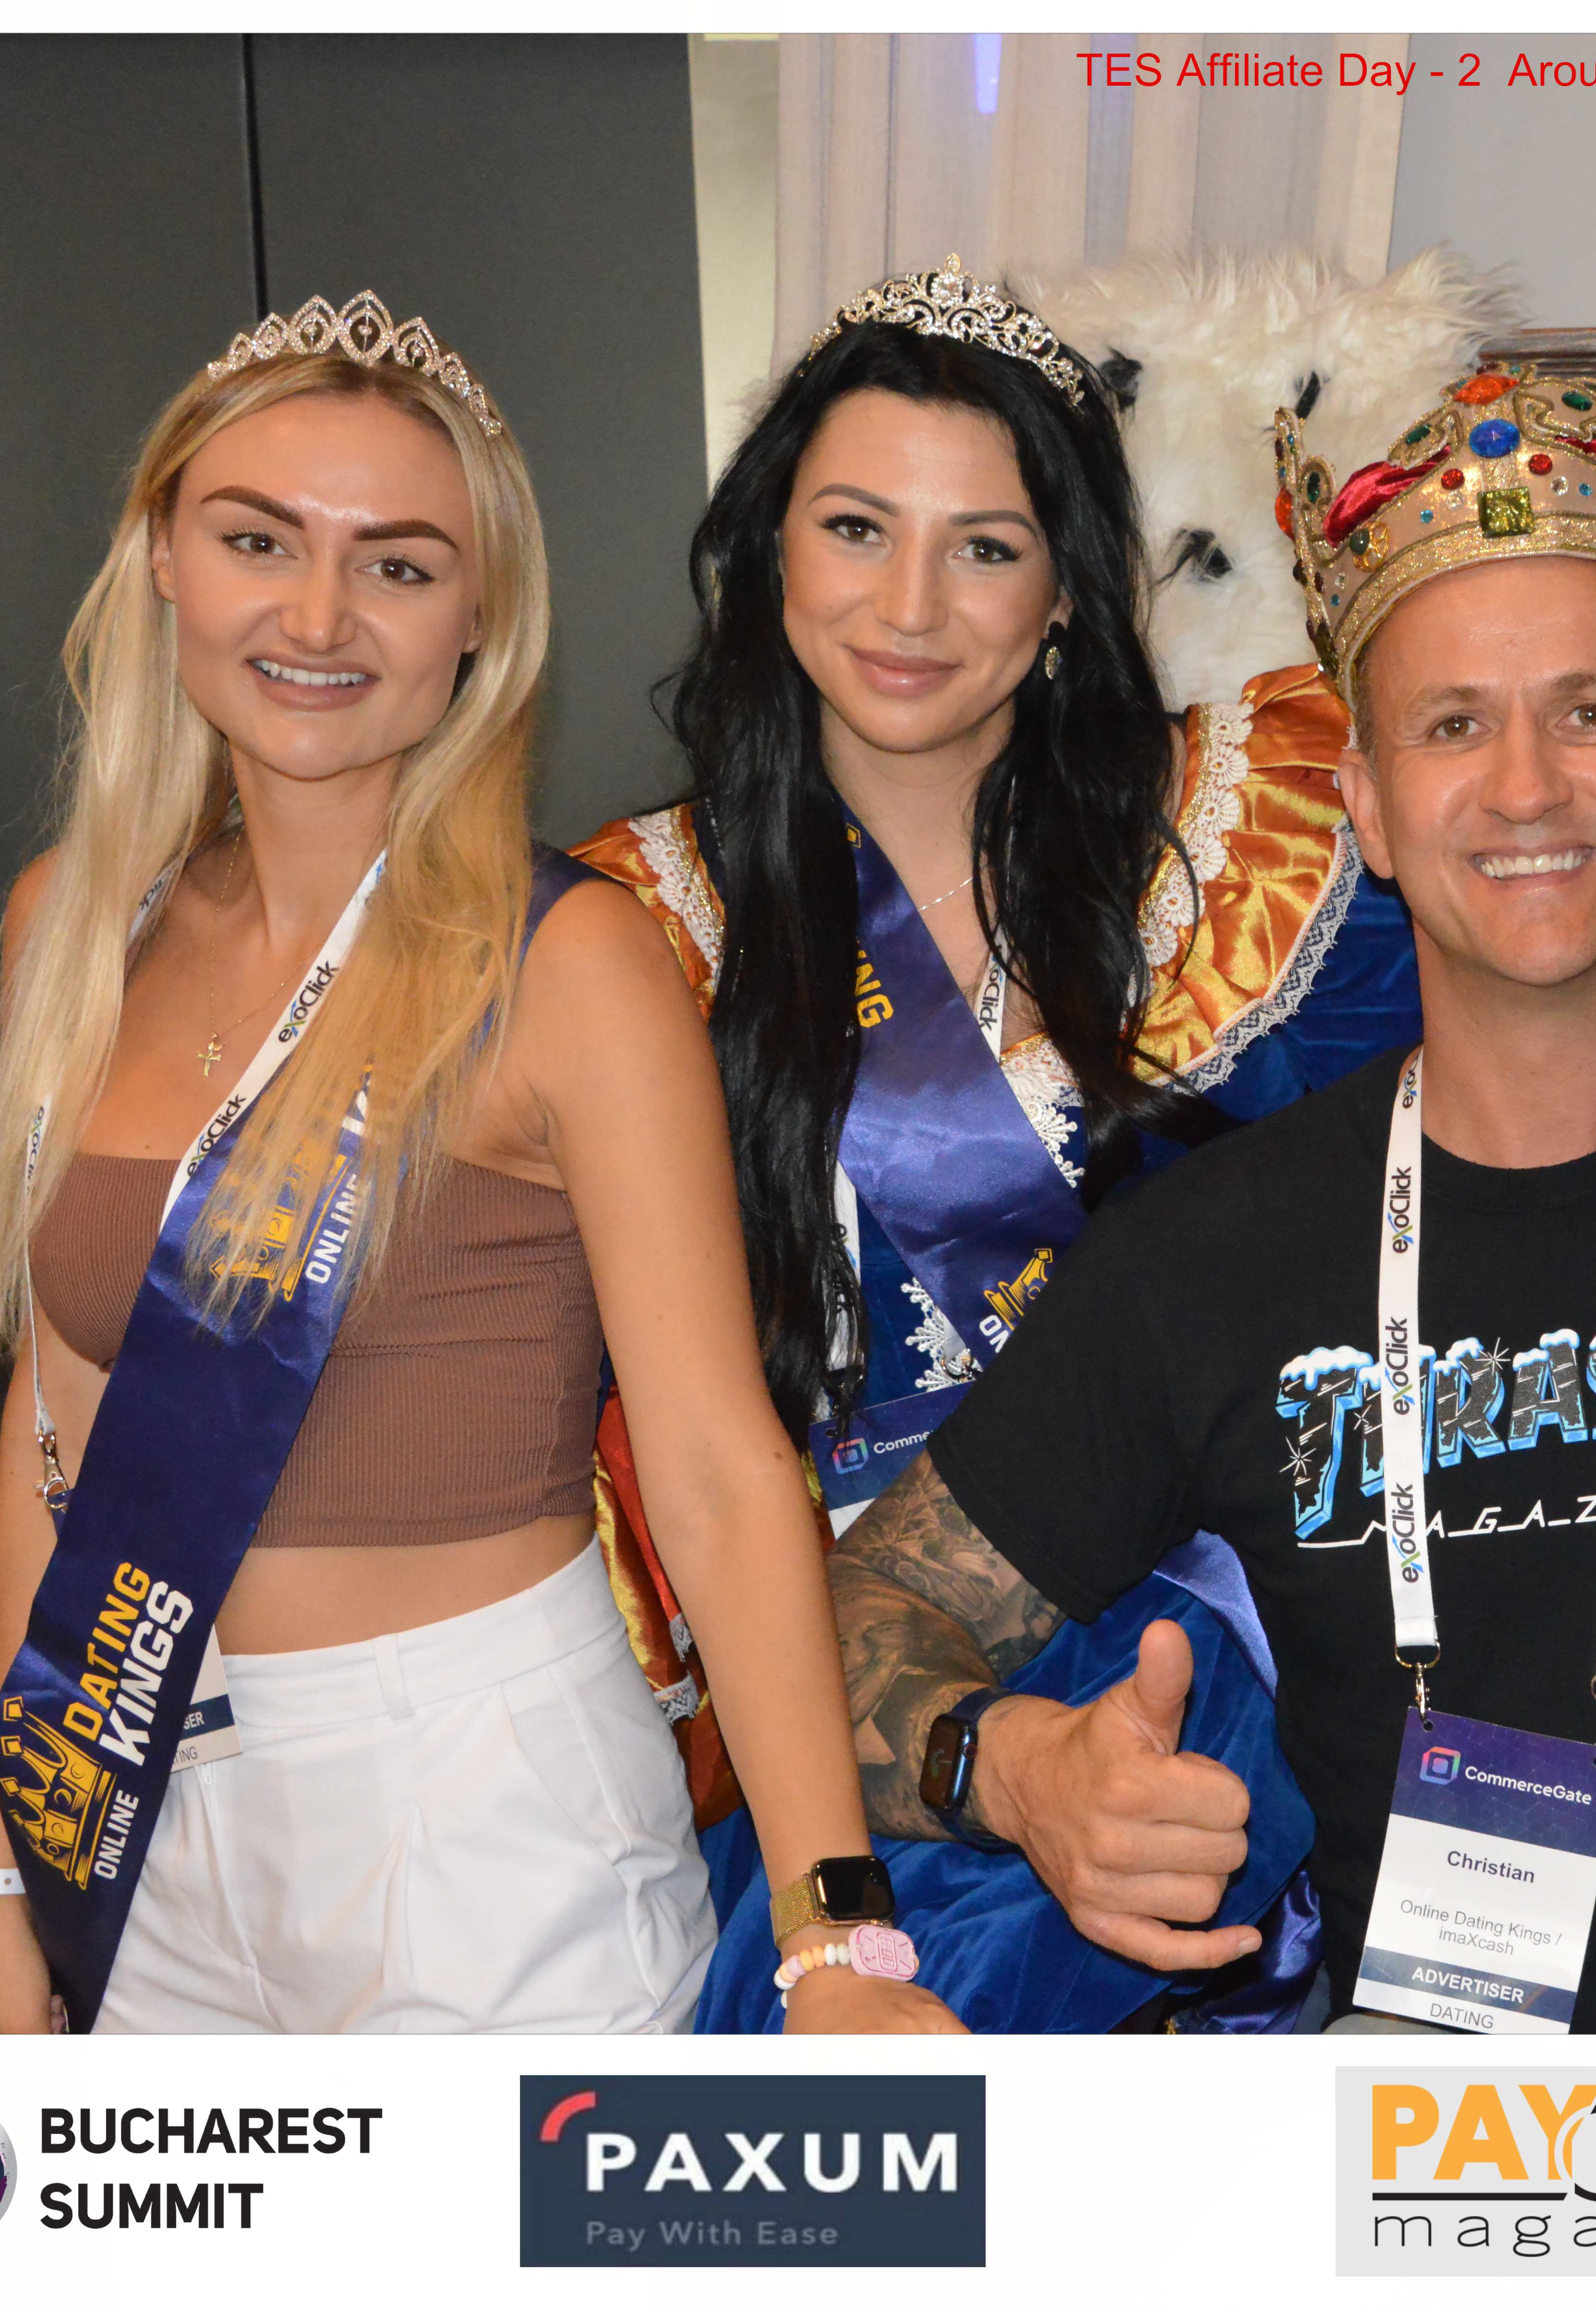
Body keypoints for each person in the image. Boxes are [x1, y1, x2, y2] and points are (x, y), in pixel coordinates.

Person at [818, 312, 1596, 2033]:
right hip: (1414, 2124)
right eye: (1454, 725)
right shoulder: (1212, 1255)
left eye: (1593, 712)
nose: (1527, 787)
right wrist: (1014, 1769)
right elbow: (854, 1607)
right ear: (1373, 810)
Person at [0, 294, 946, 2034]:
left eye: (396, 566)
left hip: (483, 1819)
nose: (318, 617)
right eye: (258, 540)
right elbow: (58, 1453)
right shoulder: (69, 931)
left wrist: (832, 1942)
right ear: (164, 555)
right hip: (134, 1803)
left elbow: (716, 1473)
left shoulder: (571, 964)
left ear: (480, 617)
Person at [573, 259, 1419, 2032]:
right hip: (828, 1698)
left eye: (984, 545)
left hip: (1199, 1641)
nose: (910, 604)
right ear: (769, 554)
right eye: (855, 529)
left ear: (1067, 593)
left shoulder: (1252, 852)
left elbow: (1409, 1249)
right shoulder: (624, 933)